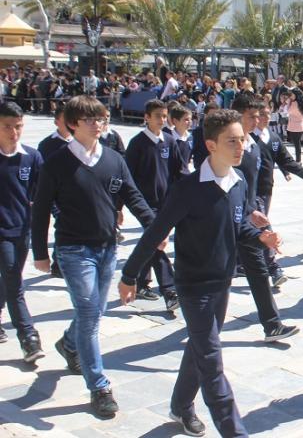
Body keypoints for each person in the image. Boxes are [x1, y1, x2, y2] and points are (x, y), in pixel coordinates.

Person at [119, 109, 280, 437]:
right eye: (231, 141)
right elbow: (155, 233)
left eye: (242, 139)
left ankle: (181, 405)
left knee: (200, 345)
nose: (240, 146)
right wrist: (130, 275)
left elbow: (238, 227)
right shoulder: (188, 189)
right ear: (211, 145)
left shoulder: (238, 182)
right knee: (211, 360)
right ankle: (234, 431)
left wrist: (260, 237)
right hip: (193, 286)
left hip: (222, 283)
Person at [31, 95, 158, 418]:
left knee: (95, 311)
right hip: (74, 250)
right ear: (73, 124)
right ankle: (99, 386)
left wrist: (155, 228)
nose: (98, 124)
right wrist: (41, 253)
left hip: (107, 247)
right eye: (90, 119)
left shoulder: (114, 159)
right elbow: (41, 209)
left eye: (101, 118)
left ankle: (69, 343)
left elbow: (133, 196)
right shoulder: (57, 162)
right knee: (89, 313)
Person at [230, 95, 298, 342]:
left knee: (258, 269)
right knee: (217, 275)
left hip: (246, 220)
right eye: (251, 116)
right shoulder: (228, 145)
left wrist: (252, 209)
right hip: (223, 221)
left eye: (258, 116)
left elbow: (249, 186)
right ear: (237, 116)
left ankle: (272, 325)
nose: (257, 120)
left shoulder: (254, 146)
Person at [124, 99, 183, 312]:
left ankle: (140, 282)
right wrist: (118, 207)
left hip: (166, 203)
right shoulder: (137, 143)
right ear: (146, 117)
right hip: (145, 205)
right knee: (157, 242)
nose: (162, 120)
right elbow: (127, 177)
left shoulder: (170, 141)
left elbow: (180, 171)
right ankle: (170, 290)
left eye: (164, 116)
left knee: (152, 242)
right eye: (158, 116)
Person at [0, 102, 44, 363]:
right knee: (14, 281)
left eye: (18, 126)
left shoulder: (31, 157)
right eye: (7, 126)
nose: (13, 132)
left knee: (9, 277)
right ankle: (29, 337)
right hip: (1, 232)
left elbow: (43, 193)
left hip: (22, 229)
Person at [251, 105, 303, 286]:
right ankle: (274, 268)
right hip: (249, 190)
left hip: (265, 189)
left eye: (267, 114)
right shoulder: (246, 138)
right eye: (261, 114)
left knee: (255, 227)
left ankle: (245, 260)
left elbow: (286, 160)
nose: (265, 118)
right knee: (263, 225)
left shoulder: (273, 138)